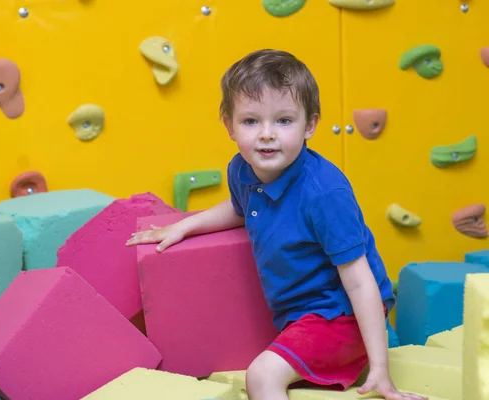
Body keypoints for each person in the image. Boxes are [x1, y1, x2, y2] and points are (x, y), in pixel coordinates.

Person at [126, 49, 427, 400]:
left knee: (261, 377)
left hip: (339, 316)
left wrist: (380, 369)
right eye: (251, 121)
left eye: (283, 121)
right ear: (229, 125)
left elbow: (360, 281)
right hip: (299, 313)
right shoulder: (242, 168)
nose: (266, 134)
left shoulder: (324, 192)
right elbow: (241, 207)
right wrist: (187, 225)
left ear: (310, 125)